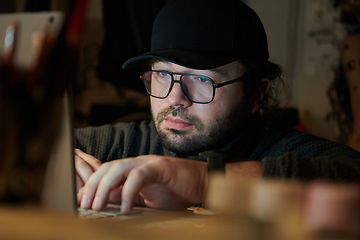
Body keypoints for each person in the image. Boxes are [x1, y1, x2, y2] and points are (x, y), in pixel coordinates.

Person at [74, 0, 360, 214]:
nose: (175, 98)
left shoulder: (283, 150)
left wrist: (205, 179)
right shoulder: (126, 145)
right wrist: (57, 159)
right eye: (162, 74)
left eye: (201, 78)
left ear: (256, 93)